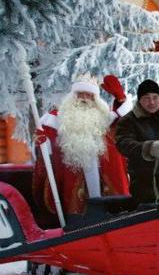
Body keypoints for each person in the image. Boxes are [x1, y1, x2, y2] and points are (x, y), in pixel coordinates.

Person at [33, 76, 132, 216]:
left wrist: (121, 99)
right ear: (72, 96)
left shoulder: (105, 118)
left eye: (89, 95)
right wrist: (42, 143)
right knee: (78, 216)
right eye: (80, 94)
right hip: (72, 179)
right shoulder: (56, 119)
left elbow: (125, 121)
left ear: (95, 99)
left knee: (110, 214)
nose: (84, 99)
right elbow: (43, 147)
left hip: (105, 179)